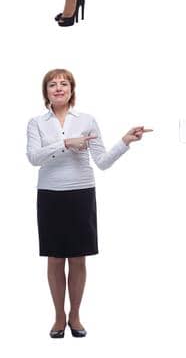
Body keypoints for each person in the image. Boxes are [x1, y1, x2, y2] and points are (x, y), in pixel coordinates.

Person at [26, 68, 151, 339]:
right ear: (45, 92)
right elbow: (34, 158)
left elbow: (103, 162)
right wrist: (65, 143)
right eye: (52, 85)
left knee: (78, 257)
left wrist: (125, 141)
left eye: (64, 84)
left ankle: (75, 315)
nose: (58, 88)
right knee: (55, 258)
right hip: (50, 194)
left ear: (72, 90)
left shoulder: (87, 120)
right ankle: (59, 316)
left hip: (81, 193)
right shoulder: (36, 123)